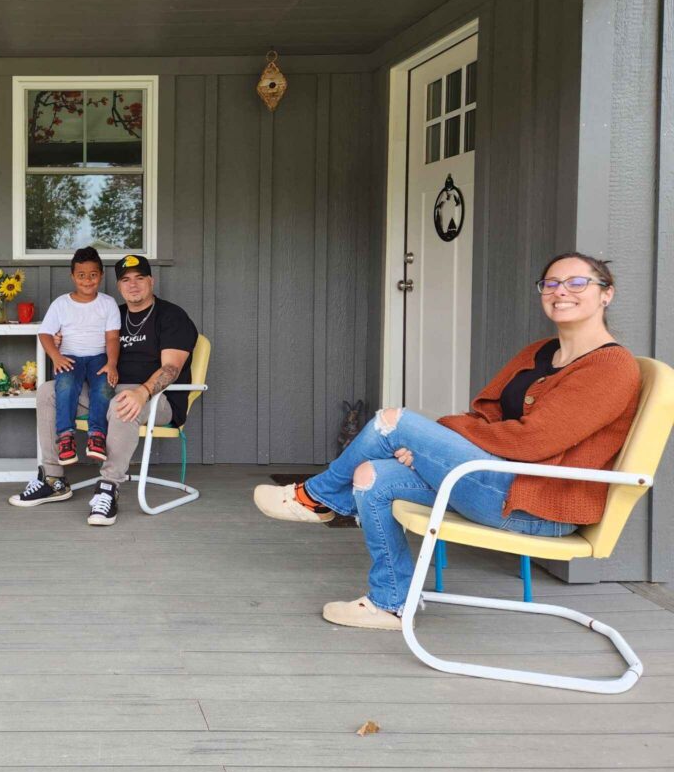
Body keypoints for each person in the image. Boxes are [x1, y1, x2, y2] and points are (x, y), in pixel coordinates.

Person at [254, 252, 640, 630]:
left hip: (537, 505)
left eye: (577, 283)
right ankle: (389, 604)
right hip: (494, 481)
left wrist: (435, 440)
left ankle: (316, 497)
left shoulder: (611, 366)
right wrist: (431, 451)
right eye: (551, 283)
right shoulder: (540, 352)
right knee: (371, 475)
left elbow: (534, 440)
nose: (561, 291)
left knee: (393, 422)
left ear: (606, 294)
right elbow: (487, 414)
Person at [11, 254, 199, 526]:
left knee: (122, 402)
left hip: (157, 397)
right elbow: (83, 341)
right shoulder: (113, 312)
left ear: (151, 281)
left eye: (139, 278)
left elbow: (171, 368)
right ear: (118, 285)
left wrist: (142, 392)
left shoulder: (171, 316)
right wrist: (60, 340)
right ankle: (53, 479)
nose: (133, 285)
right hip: (107, 388)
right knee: (47, 392)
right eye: (126, 280)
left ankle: (109, 487)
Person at [39, 246, 121, 467]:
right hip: (69, 357)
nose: (87, 281)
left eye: (93, 275)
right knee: (65, 385)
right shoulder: (61, 304)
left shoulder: (108, 303)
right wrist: (56, 356)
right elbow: (45, 333)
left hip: (98, 357)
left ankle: (97, 436)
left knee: (104, 386)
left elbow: (113, 338)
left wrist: (112, 363)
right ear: (73, 276)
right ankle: (65, 437)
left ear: (101, 275)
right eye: (81, 275)